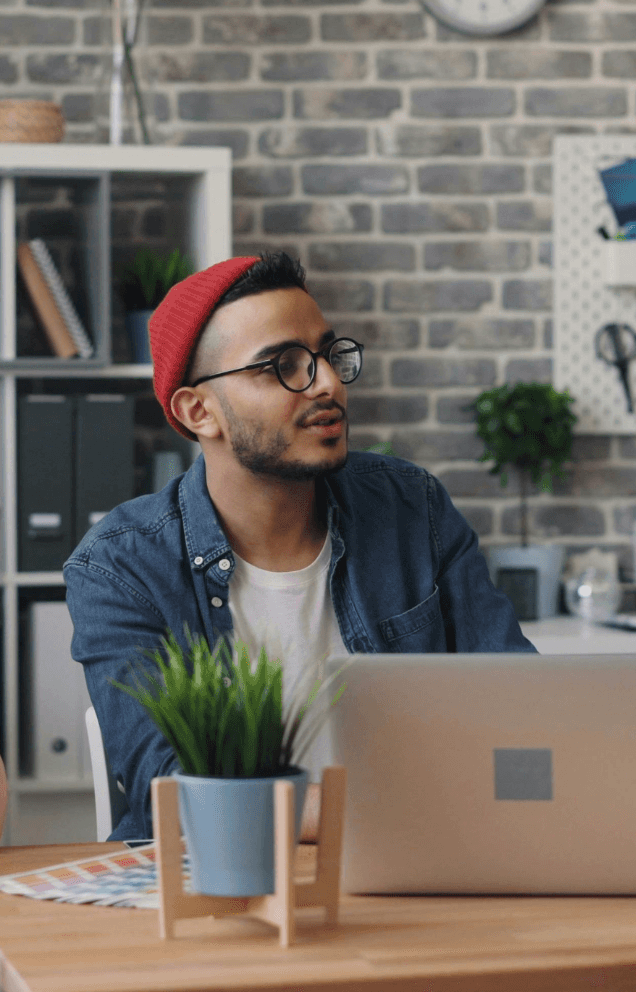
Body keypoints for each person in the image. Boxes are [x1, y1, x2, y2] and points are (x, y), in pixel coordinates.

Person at [67, 252, 534, 842]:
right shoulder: (119, 567)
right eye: (283, 365)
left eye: (328, 355)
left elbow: (519, 708)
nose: (330, 383)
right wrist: (389, 810)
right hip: (219, 889)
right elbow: (168, 787)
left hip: (430, 865)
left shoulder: (411, 507)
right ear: (198, 411)